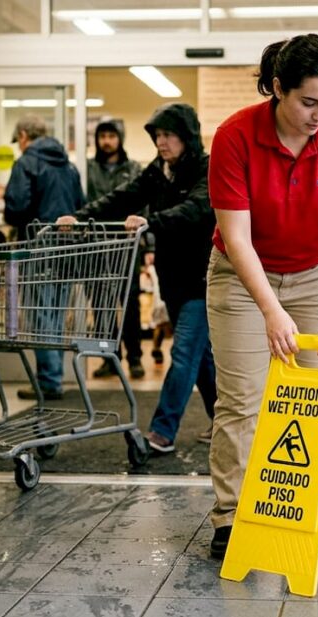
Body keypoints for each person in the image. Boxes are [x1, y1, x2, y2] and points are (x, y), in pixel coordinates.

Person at [205, 34, 318, 558]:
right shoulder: (235, 136)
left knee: (313, 397)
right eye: (308, 102)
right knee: (242, 398)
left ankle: (310, 509)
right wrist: (271, 311)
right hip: (240, 274)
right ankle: (231, 517)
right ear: (278, 89)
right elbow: (236, 239)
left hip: (317, 271)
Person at [58, 102, 217, 453]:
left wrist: (151, 222)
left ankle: (162, 432)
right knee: (201, 354)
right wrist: (79, 218)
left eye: (168, 135)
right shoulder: (159, 171)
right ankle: (222, 420)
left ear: (186, 137)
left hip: (203, 277)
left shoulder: (207, 168)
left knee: (185, 350)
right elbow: (123, 196)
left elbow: (197, 208)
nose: (161, 142)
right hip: (172, 276)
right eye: (157, 136)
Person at [3, 114, 84, 400]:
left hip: (38, 248)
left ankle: (49, 382)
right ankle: (53, 377)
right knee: (56, 317)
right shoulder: (69, 166)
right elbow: (81, 207)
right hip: (67, 250)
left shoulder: (25, 163)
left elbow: (15, 207)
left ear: (24, 135)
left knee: (39, 317)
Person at [86, 117, 147, 380]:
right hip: (96, 246)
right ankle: (110, 358)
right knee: (100, 305)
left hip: (126, 245)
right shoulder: (87, 169)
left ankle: (135, 357)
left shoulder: (133, 168)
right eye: (102, 136)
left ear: (120, 138)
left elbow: (144, 205)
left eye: (111, 136)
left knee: (129, 302)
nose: (107, 141)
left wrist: (148, 243)